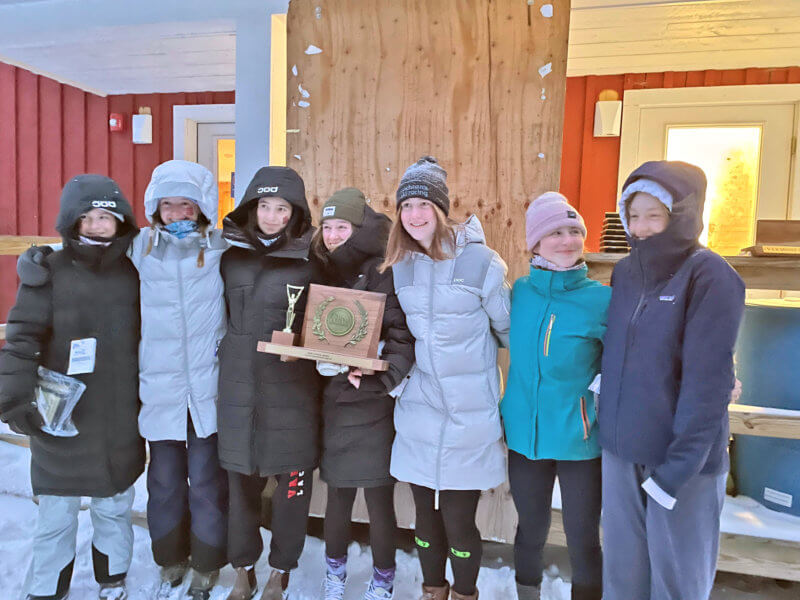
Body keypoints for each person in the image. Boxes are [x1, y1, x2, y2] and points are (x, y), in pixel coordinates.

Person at [598, 161, 745, 600]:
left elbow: (707, 382)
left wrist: (676, 472)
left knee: (677, 585)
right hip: (623, 454)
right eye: (633, 215)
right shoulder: (626, 273)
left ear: (681, 215)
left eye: (654, 215)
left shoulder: (710, 275)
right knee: (623, 582)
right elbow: (624, 354)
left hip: (679, 464)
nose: (641, 227)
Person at [0, 175, 145, 600]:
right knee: (57, 515)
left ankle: (112, 579)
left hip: (119, 416)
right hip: (60, 416)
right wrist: (13, 396)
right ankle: (45, 590)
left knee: (114, 508)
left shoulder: (136, 272)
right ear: (73, 221)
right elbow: (23, 336)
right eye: (89, 217)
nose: (98, 225)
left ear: (121, 223)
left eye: (107, 217)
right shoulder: (49, 272)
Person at [382, 156, 511, 600]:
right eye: (406, 206)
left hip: (468, 416)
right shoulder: (400, 265)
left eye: (423, 203)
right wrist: (393, 378)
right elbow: (398, 335)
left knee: (459, 522)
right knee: (424, 522)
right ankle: (432, 590)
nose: (414, 215)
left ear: (441, 208)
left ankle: (464, 593)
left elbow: (507, 329)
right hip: (419, 411)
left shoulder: (481, 262)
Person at [218, 166, 322, 600]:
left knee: (291, 491)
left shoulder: (312, 263)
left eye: (283, 208)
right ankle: (243, 568)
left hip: (292, 393)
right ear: (251, 207)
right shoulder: (229, 258)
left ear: (295, 214)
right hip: (238, 393)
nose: (273, 216)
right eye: (265, 206)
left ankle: (281, 570)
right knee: (240, 488)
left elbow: (329, 324)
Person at [501, 193, 608, 600]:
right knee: (530, 528)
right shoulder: (520, 293)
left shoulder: (601, 299)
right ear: (535, 243)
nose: (567, 241)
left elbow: (627, 361)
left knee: (582, 536)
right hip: (525, 437)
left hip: (579, 437)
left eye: (574, 232)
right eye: (555, 233)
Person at [130, 160, 229, 599]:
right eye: (167, 206)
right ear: (155, 208)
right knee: (165, 481)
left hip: (207, 390)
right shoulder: (140, 250)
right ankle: (170, 557)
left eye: (185, 205)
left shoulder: (224, 249)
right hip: (160, 389)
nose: (176, 215)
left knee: (207, 481)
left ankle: (207, 562)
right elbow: (89, 258)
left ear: (202, 207)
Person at [311, 188, 414, 600]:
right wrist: (316, 359)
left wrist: (376, 376)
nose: (334, 235)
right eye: (328, 226)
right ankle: (334, 575)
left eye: (342, 227)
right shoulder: (319, 267)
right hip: (334, 401)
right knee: (337, 494)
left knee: (378, 497)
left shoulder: (383, 269)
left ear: (359, 229)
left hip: (371, 404)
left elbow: (402, 336)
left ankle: (383, 580)